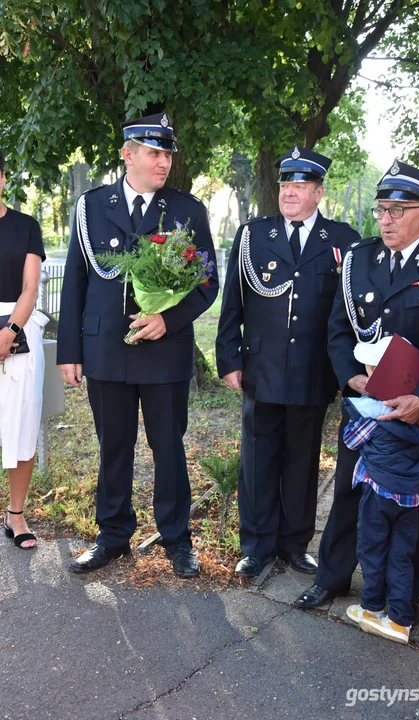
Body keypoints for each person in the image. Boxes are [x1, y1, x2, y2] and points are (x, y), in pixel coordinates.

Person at [295, 159, 419, 616]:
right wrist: (349, 376)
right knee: (348, 491)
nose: (385, 219)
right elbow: (338, 328)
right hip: (367, 403)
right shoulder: (360, 259)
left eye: (398, 210)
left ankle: (405, 600)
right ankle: (332, 579)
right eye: (381, 209)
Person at [57, 112, 218, 576]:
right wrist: (70, 351)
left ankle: (176, 540)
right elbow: (75, 282)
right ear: (128, 155)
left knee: (168, 447)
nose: (163, 161)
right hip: (105, 349)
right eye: (154, 152)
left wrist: (168, 319)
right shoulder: (91, 207)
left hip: (164, 353)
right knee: (113, 447)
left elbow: (207, 283)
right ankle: (112, 537)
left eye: (167, 153)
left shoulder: (188, 211)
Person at [216, 146, 360, 577]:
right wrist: (228, 359)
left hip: (313, 372)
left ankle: (296, 544)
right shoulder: (253, 235)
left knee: (303, 460)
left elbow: (349, 314)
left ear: (318, 192)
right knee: (258, 461)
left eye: (299, 186)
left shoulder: (342, 240)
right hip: (261, 368)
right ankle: (256, 545)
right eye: (284, 185)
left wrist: (343, 371)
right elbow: (232, 305)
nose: (289, 193)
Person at [343, 338, 419, 644]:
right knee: (402, 557)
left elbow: (351, 441)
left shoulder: (372, 414)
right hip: (409, 498)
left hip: (377, 494)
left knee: (372, 551)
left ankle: (371, 608)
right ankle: (400, 620)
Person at [0, 149, 47, 549]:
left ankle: (15, 514)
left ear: (2, 178)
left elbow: (30, 286)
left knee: (21, 425)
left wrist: (9, 330)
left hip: (21, 330)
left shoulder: (26, 225)